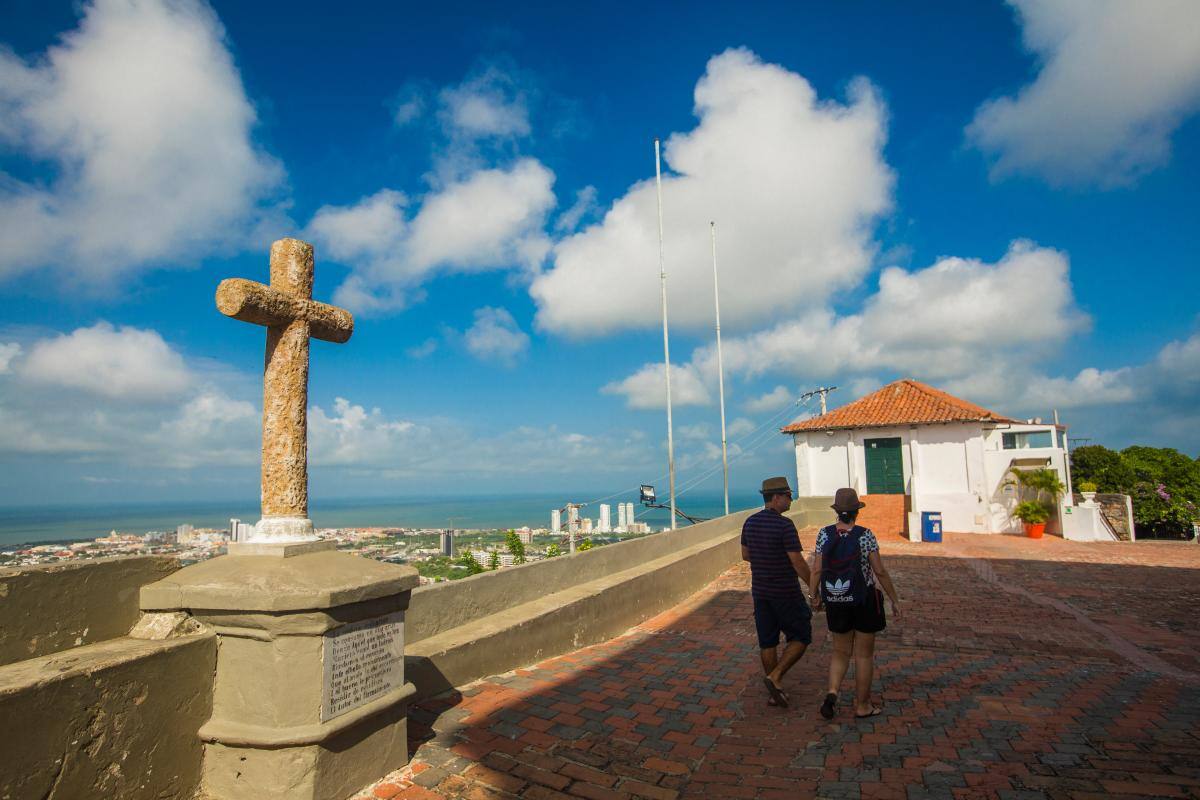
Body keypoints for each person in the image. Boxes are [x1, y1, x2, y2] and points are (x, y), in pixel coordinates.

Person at [810, 488, 901, 719]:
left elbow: (817, 569)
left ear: (837, 512)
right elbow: (879, 570)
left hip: (836, 599)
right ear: (856, 512)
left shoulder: (824, 534)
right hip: (864, 599)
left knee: (840, 652)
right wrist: (894, 598)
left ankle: (832, 693)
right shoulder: (865, 535)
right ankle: (862, 705)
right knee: (863, 655)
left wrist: (814, 595)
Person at [741, 476, 813, 708]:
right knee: (801, 635)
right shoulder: (785, 525)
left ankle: (776, 692)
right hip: (785, 591)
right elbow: (797, 561)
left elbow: (745, 554)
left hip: (761, 591)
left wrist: (765, 557)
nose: (791, 500)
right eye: (788, 496)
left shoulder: (750, 523)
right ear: (776, 498)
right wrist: (814, 586)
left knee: (768, 641)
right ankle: (776, 676)